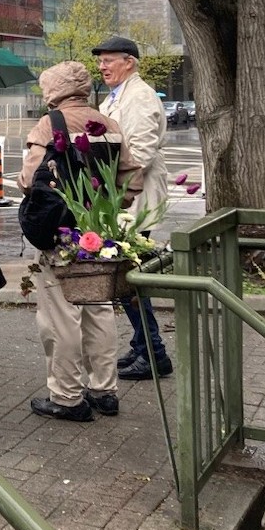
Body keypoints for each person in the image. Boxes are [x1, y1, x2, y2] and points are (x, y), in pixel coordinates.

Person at [19, 61, 144, 422]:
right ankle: (104, 390)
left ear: (55, 91)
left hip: (61, 235)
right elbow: (132, 179)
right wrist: (108, 208)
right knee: (99, 310)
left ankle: (67, 396)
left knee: (61, 318)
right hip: (99, 233)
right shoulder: (108, 123)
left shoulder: (50, 125)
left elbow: (30, 180)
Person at [92, 35, 174, 381]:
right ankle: (145, 346)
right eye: (100, 61)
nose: (102, 66)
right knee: (126, 275)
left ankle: (154, 351)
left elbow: (138, 153)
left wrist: (105, 183)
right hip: (124, 199)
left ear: (130, 61)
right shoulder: (118, 96)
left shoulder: (139, 97)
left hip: (134, 200)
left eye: (109, 60)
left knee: (128, 276)